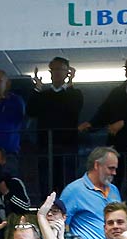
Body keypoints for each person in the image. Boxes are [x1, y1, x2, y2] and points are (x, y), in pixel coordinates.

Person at [28, 58, 87, 191]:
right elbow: (31, 111)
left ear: (67, 72)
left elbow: (75, 107)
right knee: (46, 185)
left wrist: (70, 83)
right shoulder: (43, 95)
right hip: (46, 146)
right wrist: (37, 88)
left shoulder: (74, 94)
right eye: (54, 69)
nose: (57, 73)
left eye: (60, 69)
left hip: (67, 146)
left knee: (67, 184)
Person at [58, 148, 121, 239]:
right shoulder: (73, 190)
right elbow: (61, 224)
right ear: (97, 165)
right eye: (111, 168)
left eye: (115, 169)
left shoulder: (114, 190)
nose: (114, 173)